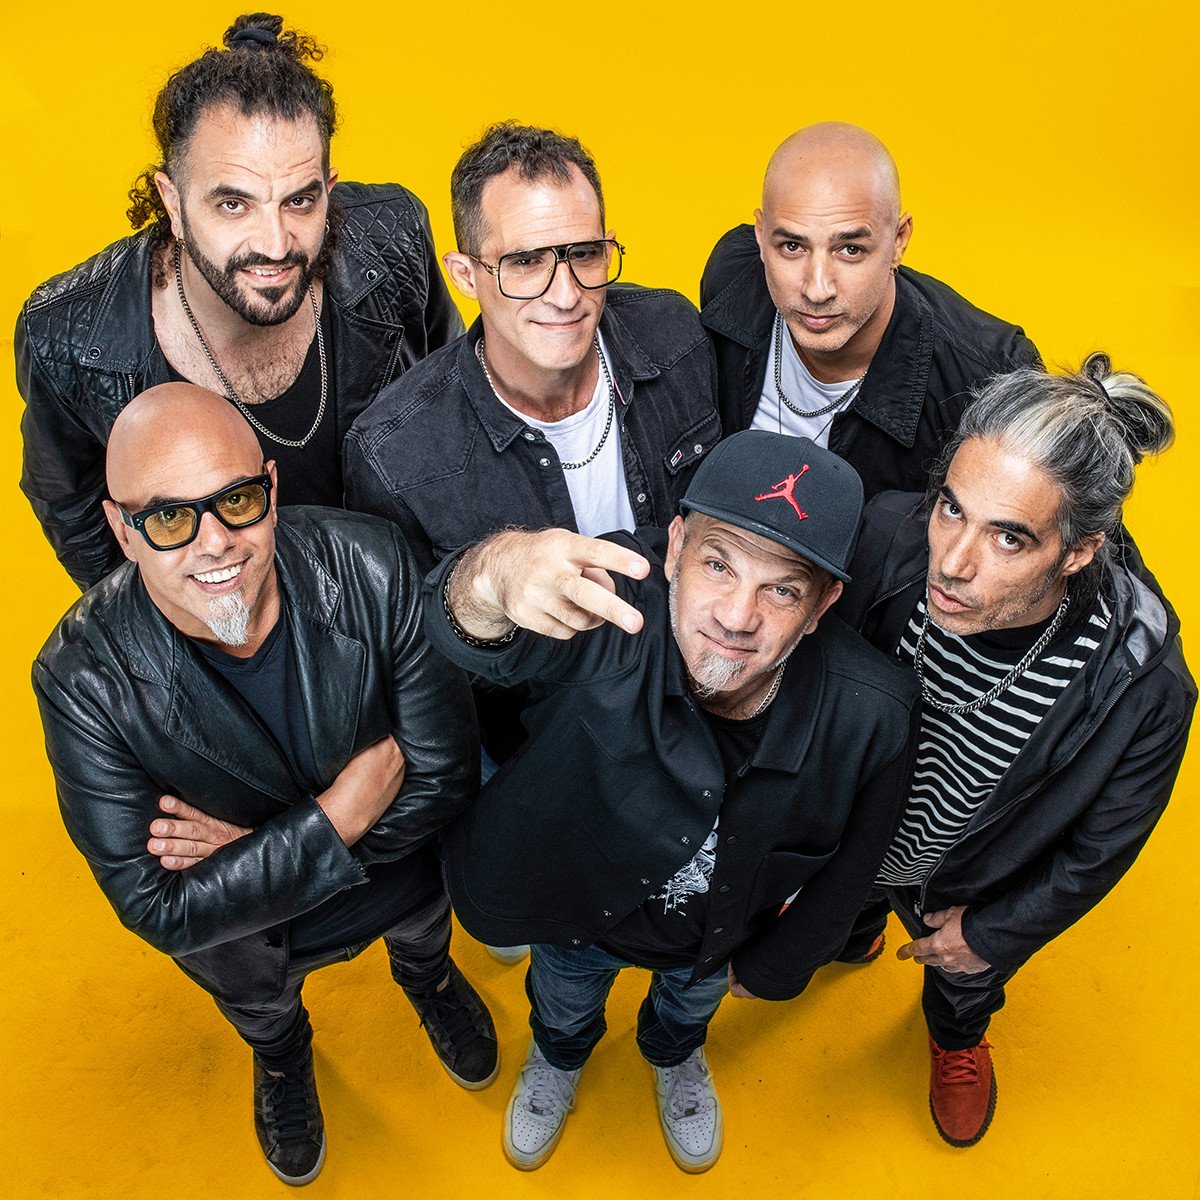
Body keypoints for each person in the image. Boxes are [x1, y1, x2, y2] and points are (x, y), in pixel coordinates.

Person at [32, 385, 496, 1187]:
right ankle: (283, 1061)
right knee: (265, 1017)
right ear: (121, 530)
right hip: (252, 947)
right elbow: (160, 909)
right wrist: (338, 816)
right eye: (169, 519)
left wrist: (253, 854)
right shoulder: (82, 681)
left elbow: (447, 778)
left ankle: (427, 981)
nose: (215, 543)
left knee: (425, 944)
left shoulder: (374, 563)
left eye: (237, 501)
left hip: (401, 886)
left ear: (271, 490)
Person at [423, 430, 917, 1172]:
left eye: (783, 589)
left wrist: (773, 967)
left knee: (686, 1016)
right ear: (676, 546)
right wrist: (494, 574)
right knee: (561, 1004)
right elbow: (465, 634)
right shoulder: (608, 604)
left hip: (712, 944)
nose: (737, 616)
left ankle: (674, 1055)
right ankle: (558, 1057)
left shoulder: (874, 717)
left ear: (823, 605)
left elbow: (852, 872)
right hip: (575, 920)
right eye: (718, 564)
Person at [835, 353, 1195, 1147]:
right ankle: (854, 929)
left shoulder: (1143, 688)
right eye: (952, 509)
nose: (953, 562)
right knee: (844, 914)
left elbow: (1098, 849)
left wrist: (992, 934)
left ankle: (956, 1038)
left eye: (1008, 538)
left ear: (1078, 550)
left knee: (962, 980)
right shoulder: (887, 536)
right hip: (861, 834)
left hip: (971, 876)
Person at [17, 13, 463, 591]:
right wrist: (180, 631)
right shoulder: (71, 338)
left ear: (328, 190)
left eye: (299, 201)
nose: (274, 244)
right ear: (173, 201)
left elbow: (454, 399)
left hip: (403, 608)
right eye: (234, 204)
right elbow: (80, 523)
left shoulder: (392, 240)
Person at [700, 122, 1039, 497]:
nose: (817, 289)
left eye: (850, 250)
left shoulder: (989, 377)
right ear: (761, 238)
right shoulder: (733, 278)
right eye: (792, 247)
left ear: (898, 241)